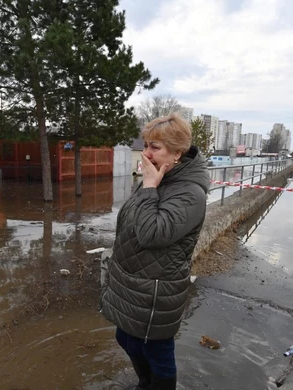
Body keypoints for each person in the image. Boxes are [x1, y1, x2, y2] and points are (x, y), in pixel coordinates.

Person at [100, 113, 210, 390]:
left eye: (154, 147)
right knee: (126, 340)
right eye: (146, 145)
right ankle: (144, 383)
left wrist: (149, 186)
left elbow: (152, 234)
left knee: (158, 354)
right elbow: (130, 219)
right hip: (134, 280)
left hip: (156, 290)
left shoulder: (189, 193)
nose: (146, 153)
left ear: (177, 153)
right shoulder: (160, 177)